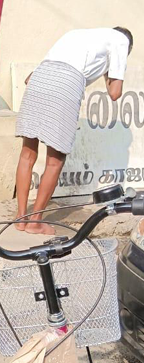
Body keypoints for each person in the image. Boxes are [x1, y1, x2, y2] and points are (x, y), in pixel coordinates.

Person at [14, 27, 133, 235]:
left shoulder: (81, 34)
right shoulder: (121, 41)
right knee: (55, 159)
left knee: (28, 152)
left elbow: (30, 77)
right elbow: (114, 93)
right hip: (67, 82)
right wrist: (110, 72)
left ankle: (21, 218)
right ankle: (35, 222)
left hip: (40, 75)